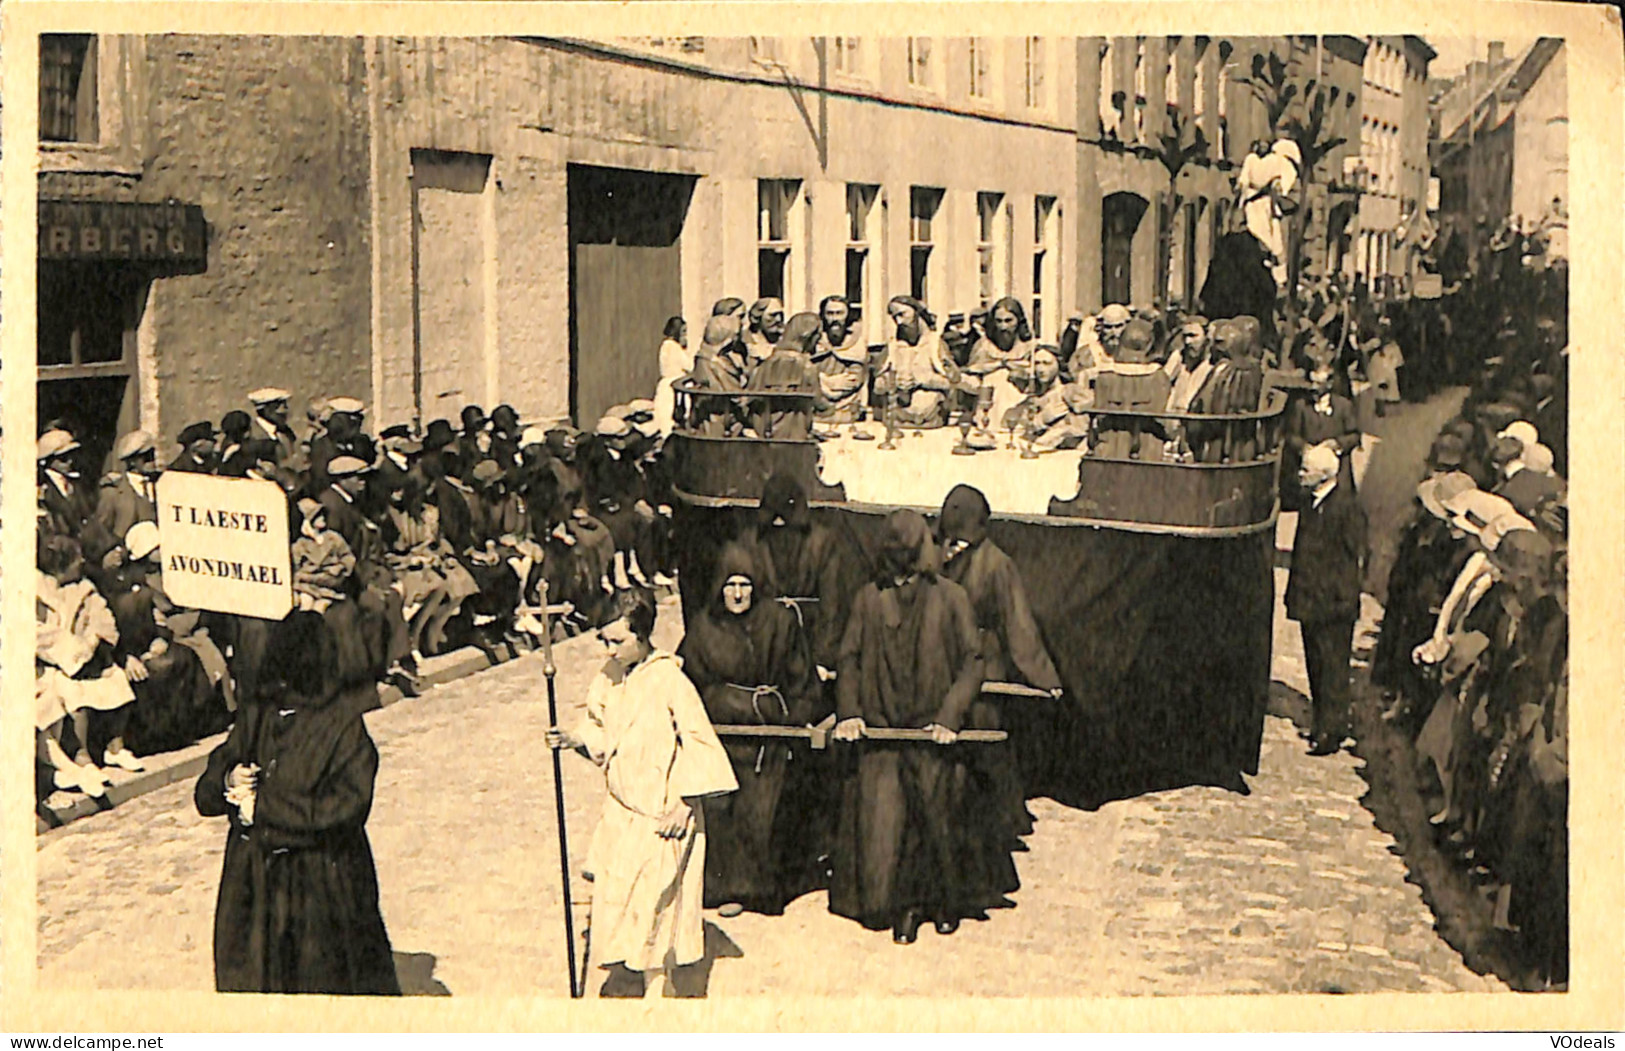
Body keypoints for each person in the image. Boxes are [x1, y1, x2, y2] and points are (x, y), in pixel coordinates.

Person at [195, 611, 400, 995]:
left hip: (320, 886)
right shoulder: (257, 716)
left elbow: (344, 811)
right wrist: (228, 780)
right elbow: (205, 792)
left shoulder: (343, 726)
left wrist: (266, 810)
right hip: (255, 881)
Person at [828, 510, 1010, 943]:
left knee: (935, 817)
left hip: (932, 735)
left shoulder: (950, 598)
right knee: (886, 824)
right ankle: (898, 906)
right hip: (884, 734)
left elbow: (973, 661)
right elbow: (849, 658)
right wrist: (850, 710)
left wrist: (950, 715)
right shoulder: (868, 599)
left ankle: (939, 903)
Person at [547, 589, 737, 998]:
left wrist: (685, 803)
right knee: (622, 894)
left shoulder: (670, 679)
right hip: (623, 808)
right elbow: (599, 726)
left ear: (642, 634)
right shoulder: (609, 675)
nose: (610, 650)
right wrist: (573, 737)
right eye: (605, 641)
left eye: (618, 641)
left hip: (663, 810)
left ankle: (657, 988)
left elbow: (700, 743)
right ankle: (629, 973)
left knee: (658, 901)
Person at [677, 543, 816, 917]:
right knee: (721, 810)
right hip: (721, 735)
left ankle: (755, 888)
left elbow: (802, 680)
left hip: (766, 737)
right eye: (730, 585)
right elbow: (685, 683)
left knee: (762, 813)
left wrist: (792, 720)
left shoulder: (780, 623)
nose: (737, 594)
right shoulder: (704, 629)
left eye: (745, 585)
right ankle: (724, 885)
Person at [937, 484, 1064, 843]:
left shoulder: (994, 564)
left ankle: (1000, 821)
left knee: (986, 735)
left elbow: (1017, 624)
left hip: (980, 660)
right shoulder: (937, 555)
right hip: (949, 657)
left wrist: (1042, 675)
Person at [36, 535, 136, 796]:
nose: (81, 562)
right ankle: (83, 759)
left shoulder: (84, 589)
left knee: (115, 679)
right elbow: (41, 637)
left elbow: (103, 619)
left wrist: (91, 641)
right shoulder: (38, 591)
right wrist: (74, 651)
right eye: (75, 559)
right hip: (53, 663)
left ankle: (115, 748)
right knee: (70, 694)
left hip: (87, 656)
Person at [1284, 444, 1367, 756]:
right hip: (1310, 600)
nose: (1300, 474)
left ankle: (1332, 731)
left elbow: (1356, 557)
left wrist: (1343, 598)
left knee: (1333, 668)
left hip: (1333, 604)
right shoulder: (1310, 502)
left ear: (1322, 475)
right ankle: (1321, 722)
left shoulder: (1347, 508)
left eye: (1305, 470)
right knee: (1316, 665)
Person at [1092, 319, 1172, 460]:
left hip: (1111, 449)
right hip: (1148, 449)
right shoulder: (1159, 377)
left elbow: (1097, 417)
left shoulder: (1105, 376)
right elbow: (1163, 417)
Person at [884, 296, 963, 429]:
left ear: (916, 312)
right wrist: (893, 382)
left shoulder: (935, 344)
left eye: (902, 314)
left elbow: (953, 382)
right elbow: (877, 385)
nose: (899, 322)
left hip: (931, 417)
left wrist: (924, 380)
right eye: (894, 317)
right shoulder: (894, 346)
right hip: (900, 418)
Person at [747, 311, 826, 440]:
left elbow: (749, 399)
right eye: (818, 335)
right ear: (808, 337)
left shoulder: (764, 365)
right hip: (795, 434)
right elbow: (820, 404)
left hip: (765, 432)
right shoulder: (806, 367)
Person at [964, 297, 1039, 429]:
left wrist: (1019, 372)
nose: (1003, 327)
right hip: (989, 403)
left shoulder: (1030, 347)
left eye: (1008, 321)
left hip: (1020, 400)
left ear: (1019, 321)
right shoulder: (984, 346)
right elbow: (972, 372)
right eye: (999, 321)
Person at [1001, 346, 1091, 450]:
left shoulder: (1068, 391)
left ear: (1058, 365)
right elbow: (1008, 421)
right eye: (1037, 363)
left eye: (1047, 363)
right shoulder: (1034, 398)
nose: (1041, 369)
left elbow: (1089, 415)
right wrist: (1041, 419)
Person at [94, 430, 161, 549]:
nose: (152, 461)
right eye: (146, 458)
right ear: (132, 462)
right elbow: (101, 531)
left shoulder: (162, 485)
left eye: (152, 455)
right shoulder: (113, 492)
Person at [810, 295, 870, 426]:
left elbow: (855, 379)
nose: (835, 318)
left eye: (839, 313)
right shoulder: (814, 340)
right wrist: (828, 383)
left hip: (848, 408)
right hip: (817, 409)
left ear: (847, 315)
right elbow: (804, 373)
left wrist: (822, 383)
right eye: (830, 313)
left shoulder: (856, 341)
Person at [292, 497, 357, 613]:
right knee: (305, 605)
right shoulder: (300, 545)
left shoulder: (333, 538)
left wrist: (340, 568)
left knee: (320, 609)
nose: (322, 518)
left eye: (322, 514)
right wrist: (306, 575)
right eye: (317, 516)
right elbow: (296, 569)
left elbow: (348, 557)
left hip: (330, 585)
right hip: (307, 586)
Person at [653, 316, 692, 436]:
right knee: (671, 417)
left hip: (665, 385)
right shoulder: (674, 347)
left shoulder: (665, 345)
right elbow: (689, 366)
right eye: (683, 332)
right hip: (674, 385)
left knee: (664, 418)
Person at [743, 298, 786, 363]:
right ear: (757, 317)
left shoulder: (786, 339)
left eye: (781, 315)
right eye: (773, 315)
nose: (778, 319)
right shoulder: (744, 340)